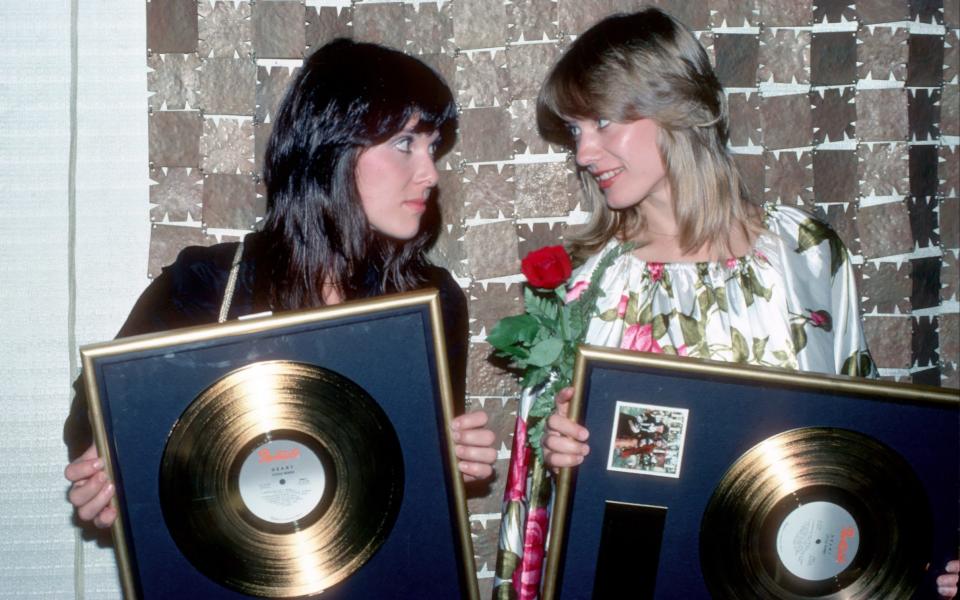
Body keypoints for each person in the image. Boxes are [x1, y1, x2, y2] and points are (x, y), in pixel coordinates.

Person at [493, 8, 956, 599]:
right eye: (575, 131)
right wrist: (562, 463)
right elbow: (541, 520)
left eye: (603, 122)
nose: (584, 152)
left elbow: (861, 445)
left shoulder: (806, 254)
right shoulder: (589, 288)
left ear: (678, 105)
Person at [64, 39, 497, 530]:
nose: (430, 173)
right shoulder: (206, 282)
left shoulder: (432, 296)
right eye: (405, 144)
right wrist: (106, 471)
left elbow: (406, 482)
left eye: (432, 146)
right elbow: (91, 416)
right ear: (332, 147)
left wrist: (453, 457)